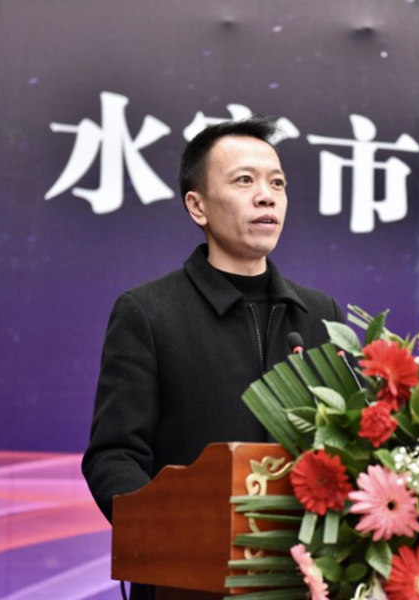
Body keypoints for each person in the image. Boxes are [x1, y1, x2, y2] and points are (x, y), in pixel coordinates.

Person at [81, 117, 343, 527]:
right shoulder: (149, 313)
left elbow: (353, 442)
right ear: (197, 206)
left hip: (302, 560)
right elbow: (115, 457)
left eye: (277, 183)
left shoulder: (320, 315)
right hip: (190, 558)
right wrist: (171, 533)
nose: (266, 197)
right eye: (244, 180)